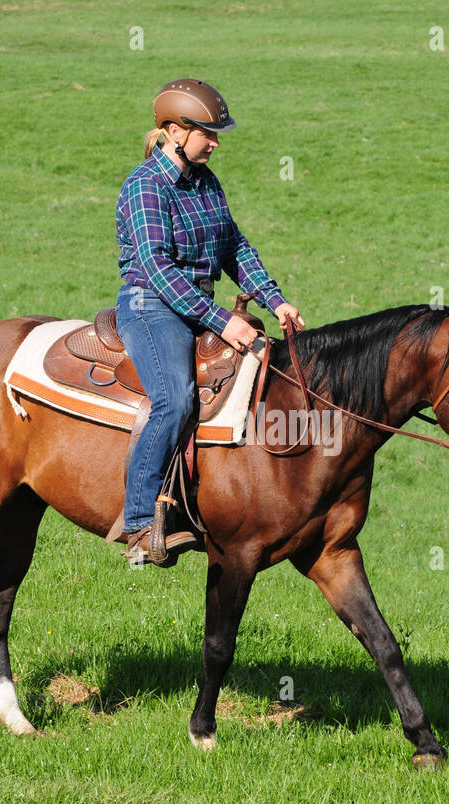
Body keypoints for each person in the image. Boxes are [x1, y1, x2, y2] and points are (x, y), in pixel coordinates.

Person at [114, 78, 304, 565]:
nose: (216, 143)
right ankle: (138, 523)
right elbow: (157, 268)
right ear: (176, 131)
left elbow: (234, 248)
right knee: (175, 399)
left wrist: (275, 300)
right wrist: (220, 320)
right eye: (208, 133)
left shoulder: (205, 182)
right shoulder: (145, 186)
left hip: (195, 306)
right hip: (151, 305)